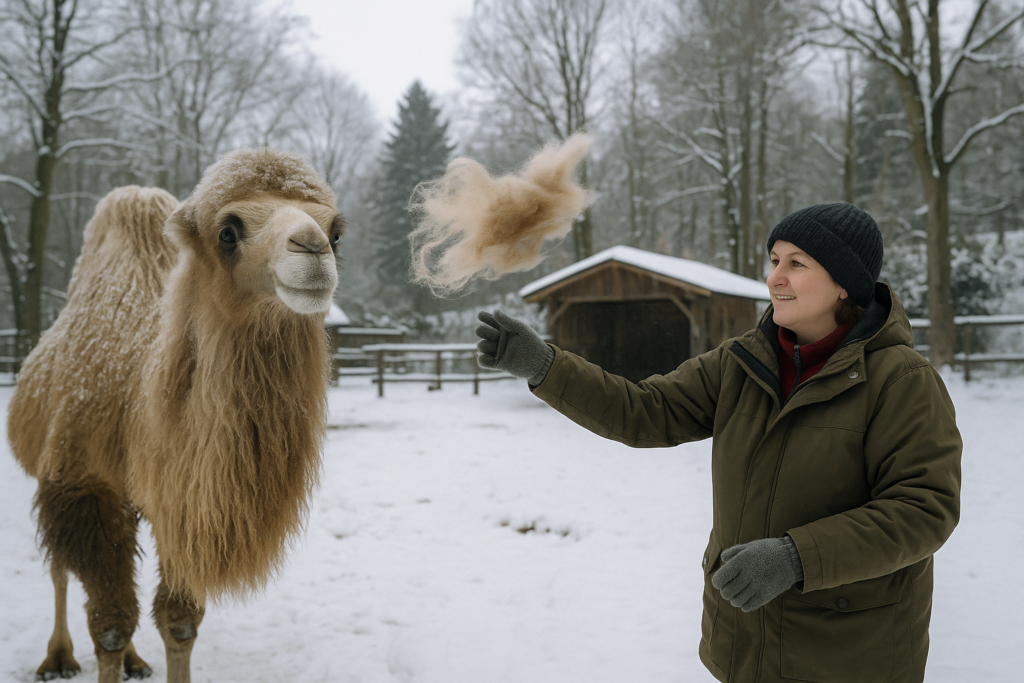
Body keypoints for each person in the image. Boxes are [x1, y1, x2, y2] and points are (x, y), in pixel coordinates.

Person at [475, 203, 962, 683]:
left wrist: (795, 558)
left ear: (843, 284)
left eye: (797, 264)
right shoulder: (741, 363)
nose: (775, 277)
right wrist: (545, 366)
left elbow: (922, 509)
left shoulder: (901, 381)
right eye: (774, 260)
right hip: (743, 645)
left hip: (846, 656)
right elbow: (646, 411)